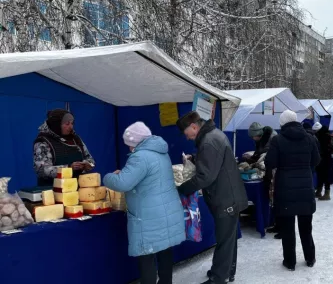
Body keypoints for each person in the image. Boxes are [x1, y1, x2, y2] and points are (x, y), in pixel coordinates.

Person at [103, 122, 185, 284]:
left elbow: (122, 183)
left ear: (135, 142)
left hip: (149, 216)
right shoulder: (160, 152)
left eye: (129, 145)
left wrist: (108, 177)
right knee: (164, 252)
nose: (129, 149)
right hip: (165, 211)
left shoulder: (140, 157)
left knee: (146, 257)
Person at [176, 111, 248, 284]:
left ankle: (218, 277)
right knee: (228, 239)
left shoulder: (208, 141)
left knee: (224, 239)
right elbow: (214, 163)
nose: (188, 138)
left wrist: (182, 188)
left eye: (187, 134)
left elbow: (205, 177)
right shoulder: (213, 135)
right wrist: (195, 158)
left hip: (224, 198)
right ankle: (227, 271)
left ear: (194, 126)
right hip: (228, 196)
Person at [265, 110, 320, 271]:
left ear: (282, 123)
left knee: (287, 228)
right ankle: (310, 258)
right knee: (306, 227)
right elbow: (316, 160)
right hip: (305, 187)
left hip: (285, 189)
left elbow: (271, 162)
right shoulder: (310, 138)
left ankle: (290, 262)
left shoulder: (278, 140)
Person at [33, 109, 95, 186]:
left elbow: (91, 160)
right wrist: (68, 168)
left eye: (72, 123)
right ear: (57, 125)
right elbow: (41, 170)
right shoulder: (43, 142)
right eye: (67, 124)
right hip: (53, 191)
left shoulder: (76, 139)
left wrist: (88, 164)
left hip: (76, 189)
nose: (71, 127)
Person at [315, 124, 333, 200]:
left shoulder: (322, 137)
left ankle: (325, 194)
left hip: (323, 159)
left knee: (322, 176)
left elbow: (322, 149)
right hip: (328, 159)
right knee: (325, 176)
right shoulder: (328, 135)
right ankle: (321, 192)